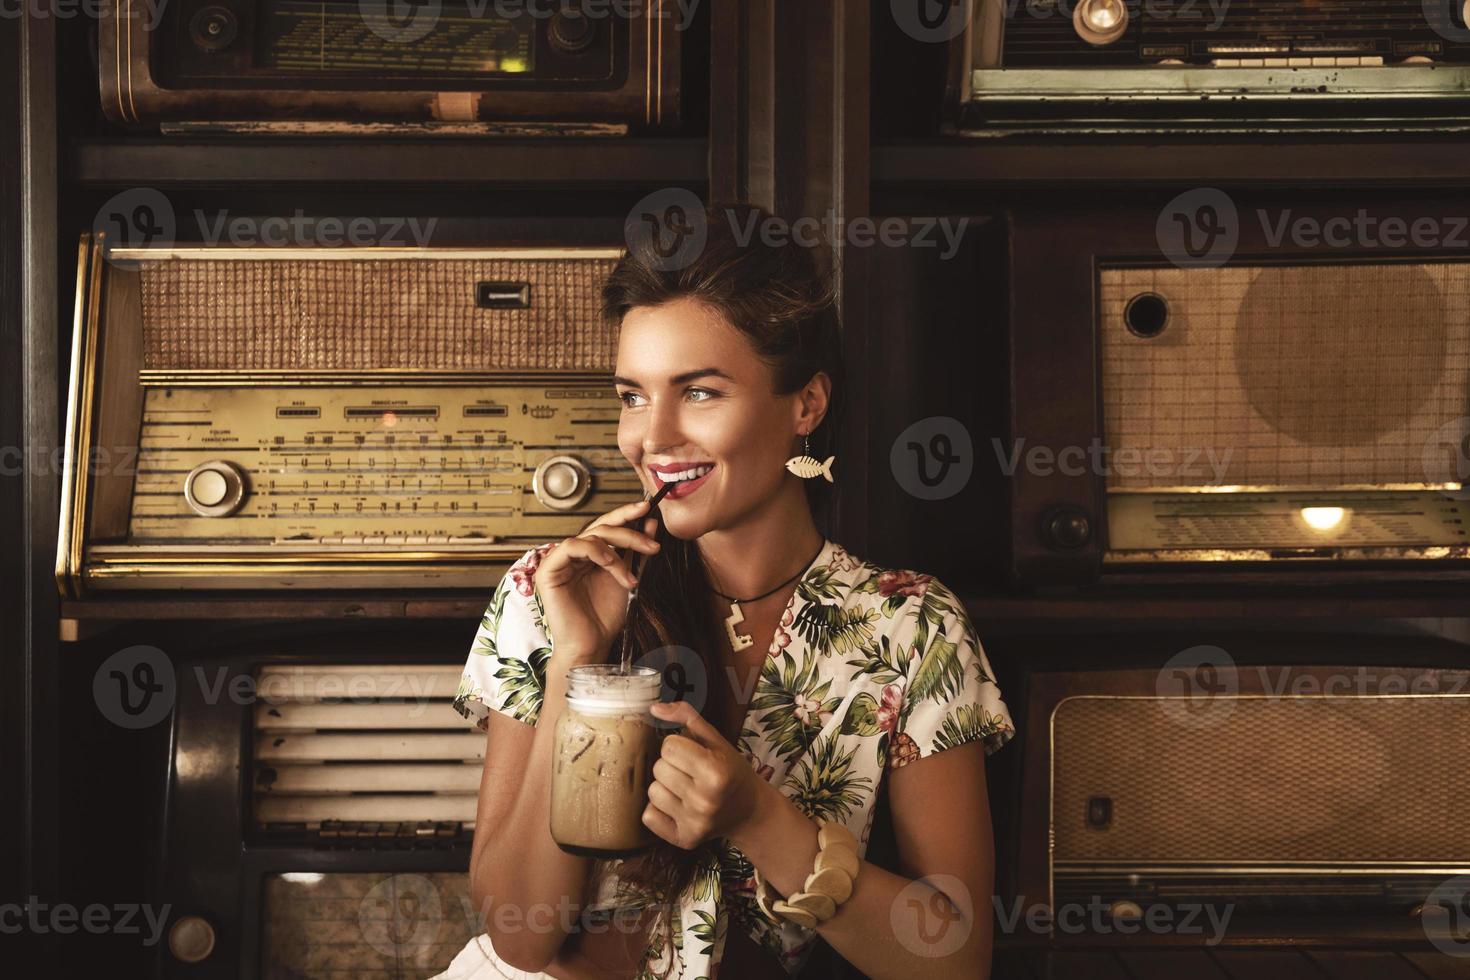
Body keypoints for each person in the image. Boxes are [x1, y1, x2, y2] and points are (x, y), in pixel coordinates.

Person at [434, 202, 1015, 980]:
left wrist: (760, 818)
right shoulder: (552, 594)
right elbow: (520, 935)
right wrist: (578, 661)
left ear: (806, 404)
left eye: (700, 392)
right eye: (632, 395)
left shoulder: (911, 626)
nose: (652, 436)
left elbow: (958, 958)